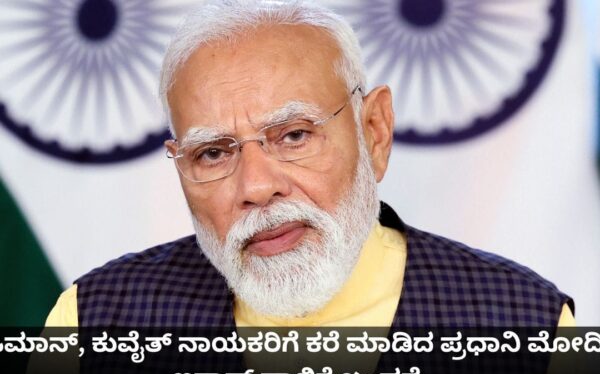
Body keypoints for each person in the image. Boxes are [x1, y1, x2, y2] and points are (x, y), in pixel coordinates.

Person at [46, 0, 574, 329]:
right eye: (213, 152)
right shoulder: (92, 323)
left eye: (294, 135)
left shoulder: (529, 326)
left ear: (374, 132)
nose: (257, 187)